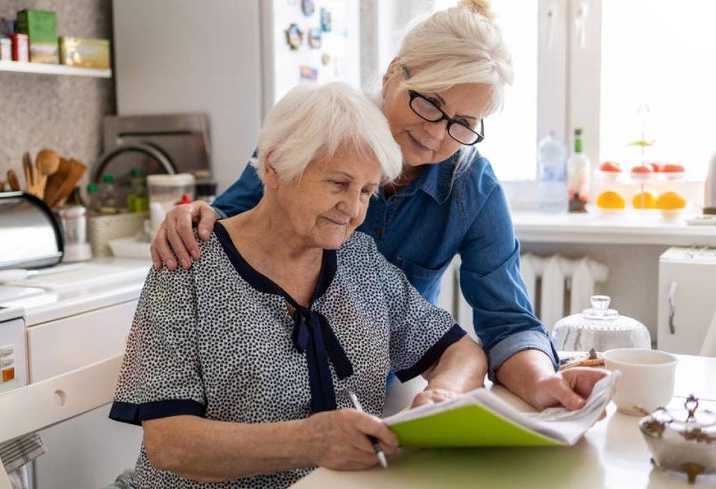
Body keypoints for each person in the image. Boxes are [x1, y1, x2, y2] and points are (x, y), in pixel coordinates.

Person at [150, 0, 607, 412]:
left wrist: (545, 381)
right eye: (431, 103)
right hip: (268, 392)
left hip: (376, 391)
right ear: (393, 74)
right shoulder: (321, 132)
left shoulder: (472, 187)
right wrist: (195, 214)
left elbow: (507, 322)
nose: (436, 134)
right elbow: (230, 224)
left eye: (463, 124)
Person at [109, 81, 488, 487]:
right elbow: (169, 444)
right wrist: (311, 441)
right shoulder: (188, 262)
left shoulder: (360, 261)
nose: (353, 208)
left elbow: (461, 351)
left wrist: (443, 395)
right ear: (273, 167)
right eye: (338, 184)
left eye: (366, 191)